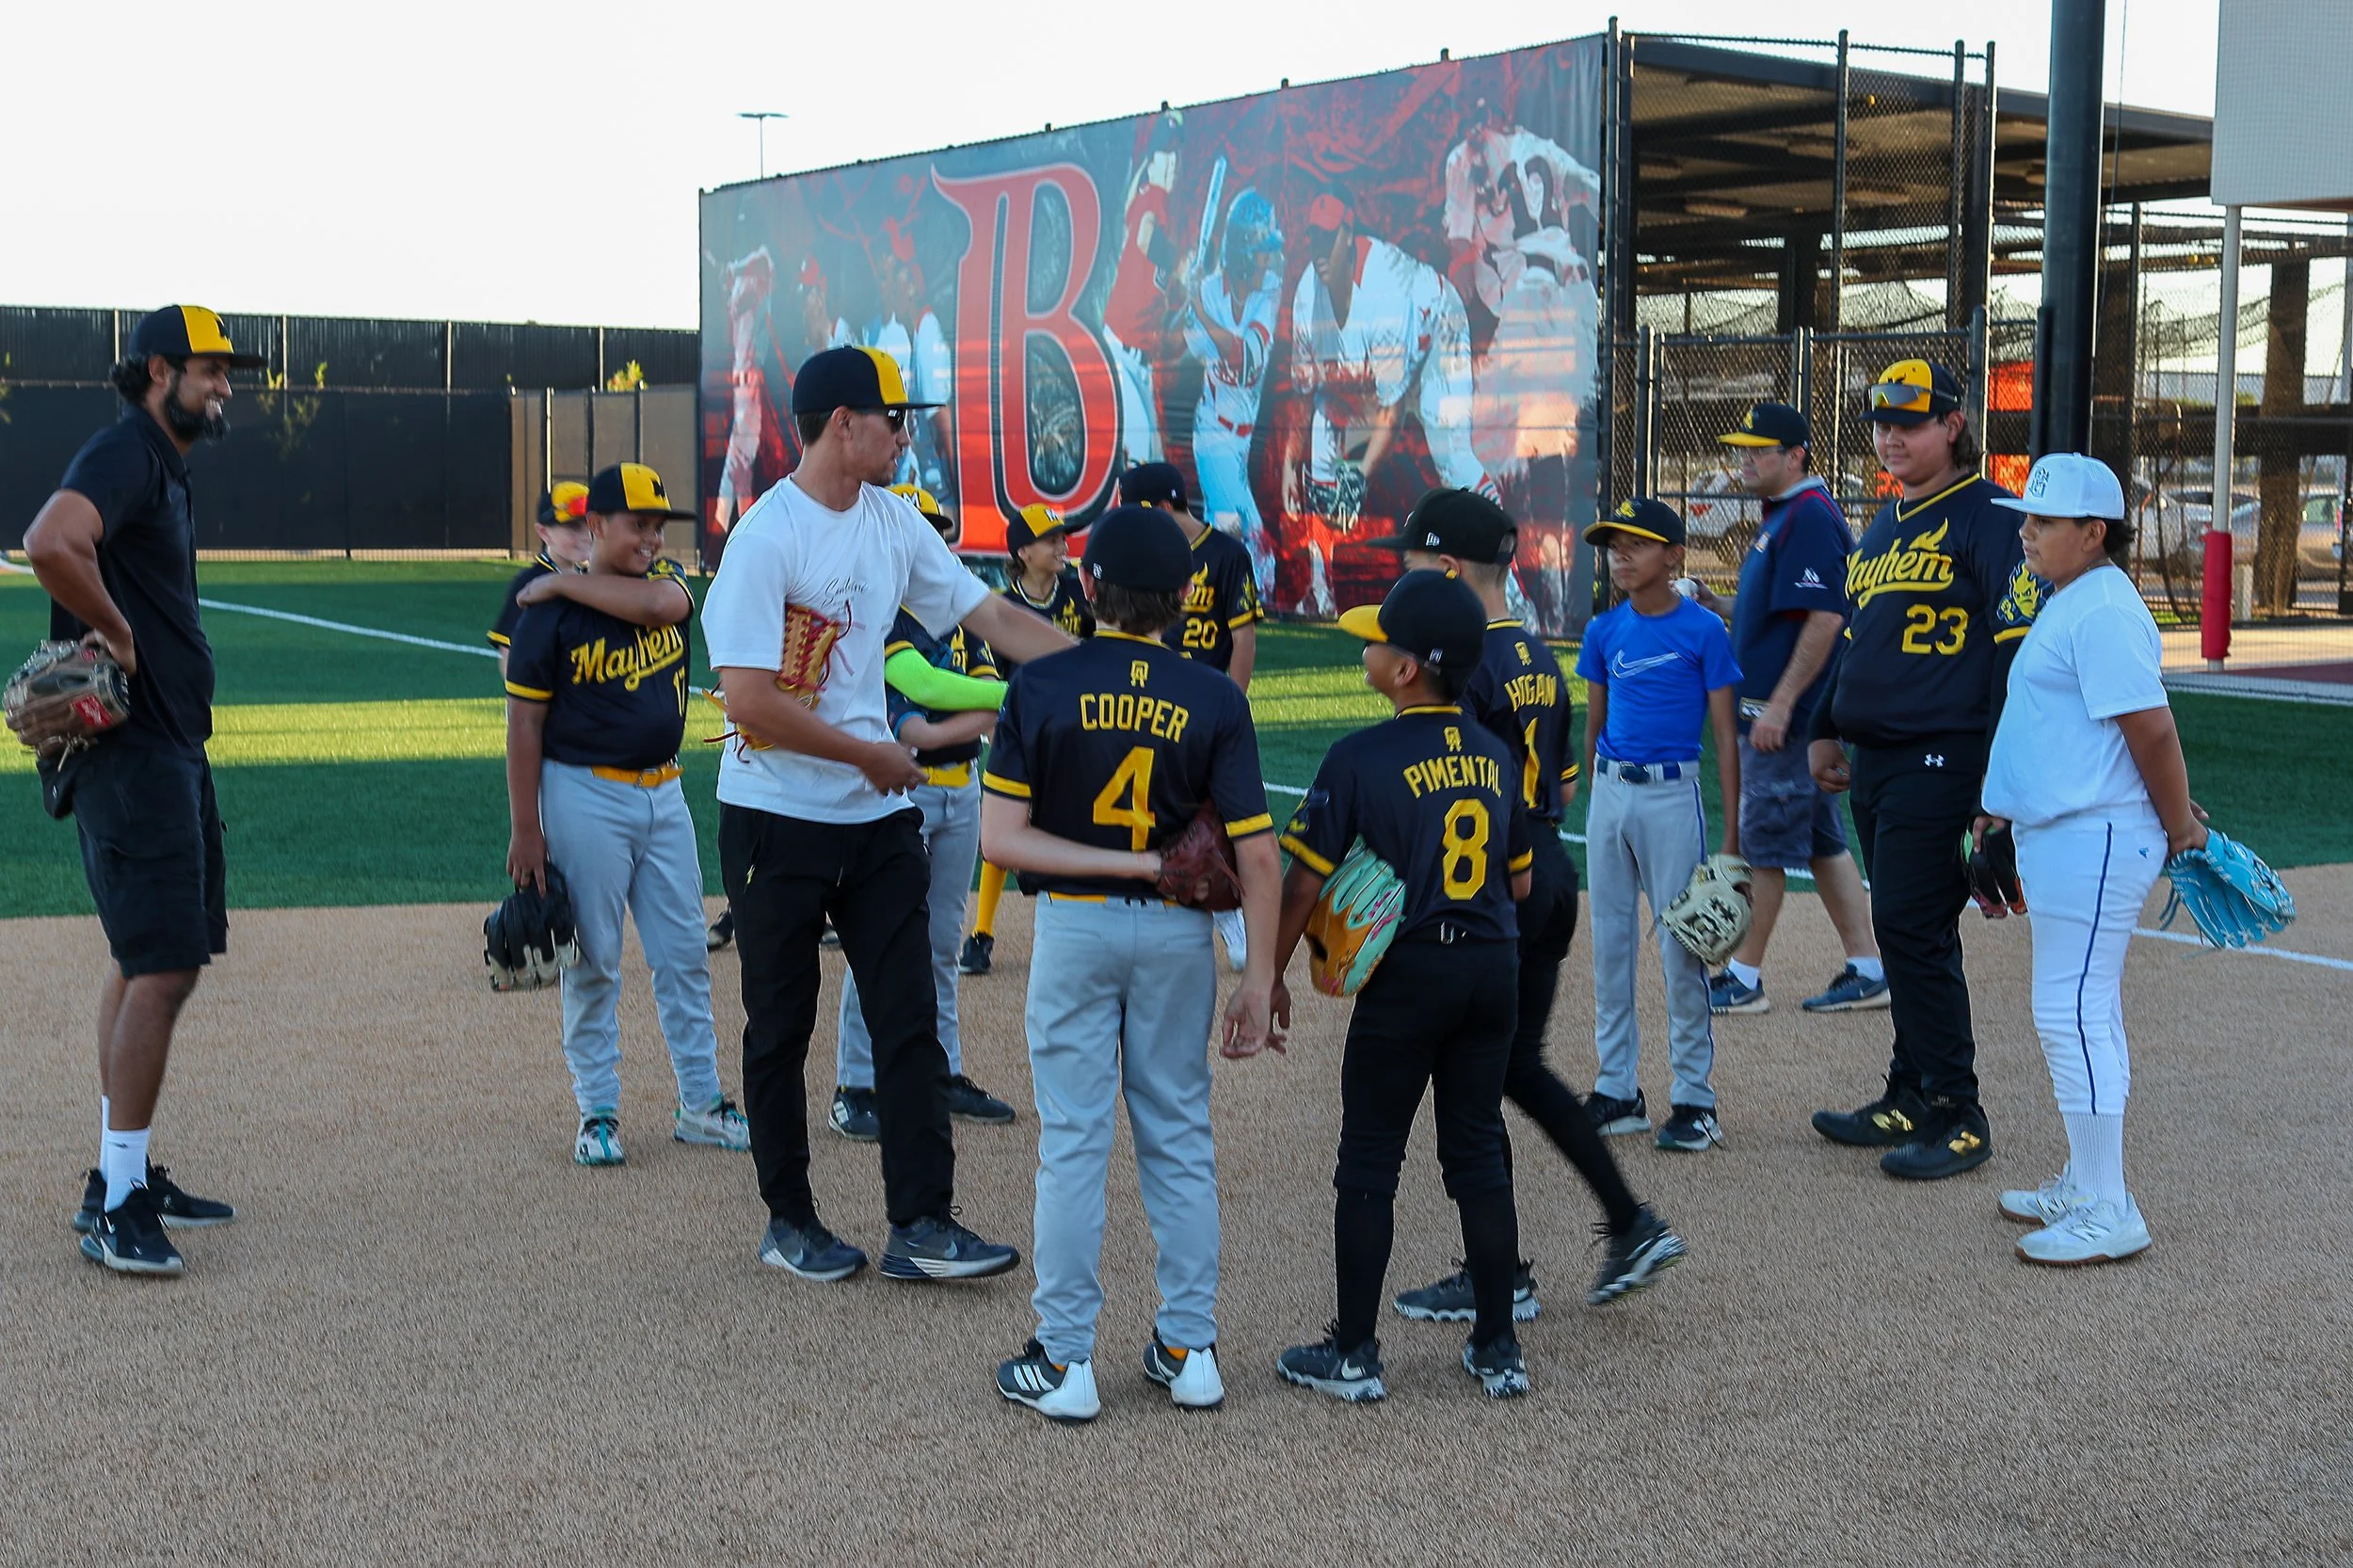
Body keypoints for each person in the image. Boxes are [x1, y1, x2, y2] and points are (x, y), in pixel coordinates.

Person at [700, 344, 1073, 1285]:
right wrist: (866, 752)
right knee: (779, 1026)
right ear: (842, 424)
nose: (906, 435)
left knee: (909, 1018)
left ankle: (923, 1222)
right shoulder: (766, 536)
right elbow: (745, 698)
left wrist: (1096, 668)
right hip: (776, 817)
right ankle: (790, 1220)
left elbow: (991, 616)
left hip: (873, 824)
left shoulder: (892, 525)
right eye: (894, 418)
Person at [983, 504, 1281, 1423]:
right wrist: (1259, 974)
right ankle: (1190, 1349)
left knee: (1073, 1141)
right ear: (1185, 596)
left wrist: (1125, 864)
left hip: (1075, 927)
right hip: (1179, 937)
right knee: (1179, 1134)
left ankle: (1066, 1360)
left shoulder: (1040, 684)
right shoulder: (1214, 695)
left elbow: (1000, 837)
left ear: (1089, 587)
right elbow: (1258, 855)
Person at [1369, 490, 1686, 1320]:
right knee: (1513, 1068)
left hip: (1490, 883)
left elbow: (1443, 795)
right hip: (1546, 868)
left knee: (1474, 1080)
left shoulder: (1457, 659)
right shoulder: (1540, 654)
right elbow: (1561, 782)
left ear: (1444, 568)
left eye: (1412, 567)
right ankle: (1624, 1222)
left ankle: (1499, 1276)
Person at [15, 306, 262, 1276]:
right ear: (157, 369)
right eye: (210, 369)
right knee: (161, 966)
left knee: (147, 954)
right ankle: (117, 1201)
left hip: (168, 747)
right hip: (136, 754)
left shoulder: (159, 462)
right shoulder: (126, 451)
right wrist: (116, 633)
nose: (226, 385)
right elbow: (48, 540)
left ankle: (124, 1170)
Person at [1267, 569, 1535, 1402]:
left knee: (1371, 1160)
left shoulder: (1360, 756)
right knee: (1479, 1151)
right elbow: (1520, 885)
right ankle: (1497, 1346)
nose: (1369, 647)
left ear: (1409, 668)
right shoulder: (1495, 754)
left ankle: (1353, 1354)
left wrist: (1266, 974)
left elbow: (1303, 885)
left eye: (1380, 639)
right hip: (1491, 967)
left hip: (1409, 975)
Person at [1806, 360, 2041, 1181]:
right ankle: (1909, 1091)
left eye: (1911, 419)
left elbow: (2015, 659)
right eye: (1880, 421)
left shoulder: (1990, 518)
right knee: (1907, 927)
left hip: (1946, 756)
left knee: (1909, 924)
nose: (1891, 434)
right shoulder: (1885, 521)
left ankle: (1957, 1110)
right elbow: (1858, 638)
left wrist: (1997, 787)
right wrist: (1826, 725)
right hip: (1879, 758)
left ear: (1955, 423)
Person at [502, 463, 749, 1166]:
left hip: (665, 793)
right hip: (584, 794)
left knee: (683, 956)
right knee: (596, 959)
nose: (649, 537)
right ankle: (597, 1112)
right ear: (597, 525)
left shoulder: (660, 587)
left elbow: (661, 610)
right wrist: (528, 829)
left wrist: (561, 579)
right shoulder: (546, 617)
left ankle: (701, 1102)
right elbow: (523, 727)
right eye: (636, 523)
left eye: (657, 525)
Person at [1981, 453, 2194, 1265]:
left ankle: (2110, 1206)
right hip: (2075, 831)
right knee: (2081, 1009)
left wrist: (2180, 829)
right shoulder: (2078, 598)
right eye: (2027, 519)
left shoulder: (2101, 608)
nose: (2027, 534)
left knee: (2071, 1011)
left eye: (2043, 522)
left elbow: (2153, 729)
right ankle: (2085, 1179)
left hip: (2096, 836)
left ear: (2093, 532)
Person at [828, 486, 1017, 1143]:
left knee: (941, 942)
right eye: (917, 528)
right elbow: (926, 691)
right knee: (878, 941)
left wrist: (987, 704)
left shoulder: (959, 617)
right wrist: (1013, 692)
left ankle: (943, 1072)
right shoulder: (883, 614)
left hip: (962, 787)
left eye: (934, 528)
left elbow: (970, 707)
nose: (926, 539)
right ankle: (855, 1085)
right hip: (897, 794)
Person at [1705, 403, 1887, 1016]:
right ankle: (1869, 967)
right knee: (1820, 844)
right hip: (1780, 716)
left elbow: (1827, 617)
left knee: (1764, 849)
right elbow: (1779, 611)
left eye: (1759, 449)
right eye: (1742, 449)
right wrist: (1721, 604)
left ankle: (1744, 977)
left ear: (1795, 455)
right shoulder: (1785, 514)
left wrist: (1783, 706)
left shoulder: (1808, 514)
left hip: (1782, 720)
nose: (1745, 459)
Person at [1577, 499, 1742, 1153]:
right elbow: (1594, 719)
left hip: (1674, 796)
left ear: (1674, 554)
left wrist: (1731, 840)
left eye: (1637, 544)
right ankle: (1618, 1088)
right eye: (1614, 545)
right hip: (1612, 794)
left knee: (1683, 948)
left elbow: (1726, 738)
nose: (1621, 554)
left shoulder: (1704, 630)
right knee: (1610, 943)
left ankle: (1694, 1099)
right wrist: (1597, 787)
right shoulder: (1604, 630)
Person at [1281, 194, 1497, 617]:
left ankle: (1503, 554)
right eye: (1314, 240)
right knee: (1321, 464)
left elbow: (1390, 415)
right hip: (1374, 361)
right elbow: (1306, 392)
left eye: (1329, 238)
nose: (1321, 250)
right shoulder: (1308, 293)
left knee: (1452, 458)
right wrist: (1291, 463)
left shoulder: (1386, 292)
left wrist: (1360, 473)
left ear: (1349, 233)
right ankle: (1321, 596)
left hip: (1436, 330)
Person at [1119, 460, 1262, 970]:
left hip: (1207, 701)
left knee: (1218, 817)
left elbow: (1243, 636)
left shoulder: (1225, 554)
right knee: (1160, 806)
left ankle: (1229, 911)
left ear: (1162, 507)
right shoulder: (1145, 553)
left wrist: (1233, 707)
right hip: (1153, 700)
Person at [959, 502, 1093, 978]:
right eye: (1050, 539)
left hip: (1075, 730)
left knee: (1072, 823)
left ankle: (1077, 926)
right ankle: (981, 933)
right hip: (1016, 731)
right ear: (1022, 551)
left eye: (1062, 536)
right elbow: (988, 675)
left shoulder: (1079, 595)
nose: (1062, 544)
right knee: (1005, 826)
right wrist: (999, 732)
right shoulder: (1001, 606)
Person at [1179, 186, 1285, 596]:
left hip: (1242, 441)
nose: (1269, 258)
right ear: (1242, 253)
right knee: (1230, 531)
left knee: (1260, 552)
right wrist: (1182, 303)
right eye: (1262, 250)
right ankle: (1218, 609)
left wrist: (1200, 312)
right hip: (1212, 432)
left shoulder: (1269, 288)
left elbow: (1245, 363)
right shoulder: (1207, 289)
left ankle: (1217, 599)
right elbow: (1182, 346)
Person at [488, 482, 591, 677]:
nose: (586, 537)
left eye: (591, 526)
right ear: (544, 533)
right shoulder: (530, 582)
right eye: (573, 528)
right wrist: (520, 702)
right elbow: (509, 652)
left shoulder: (592, 577)